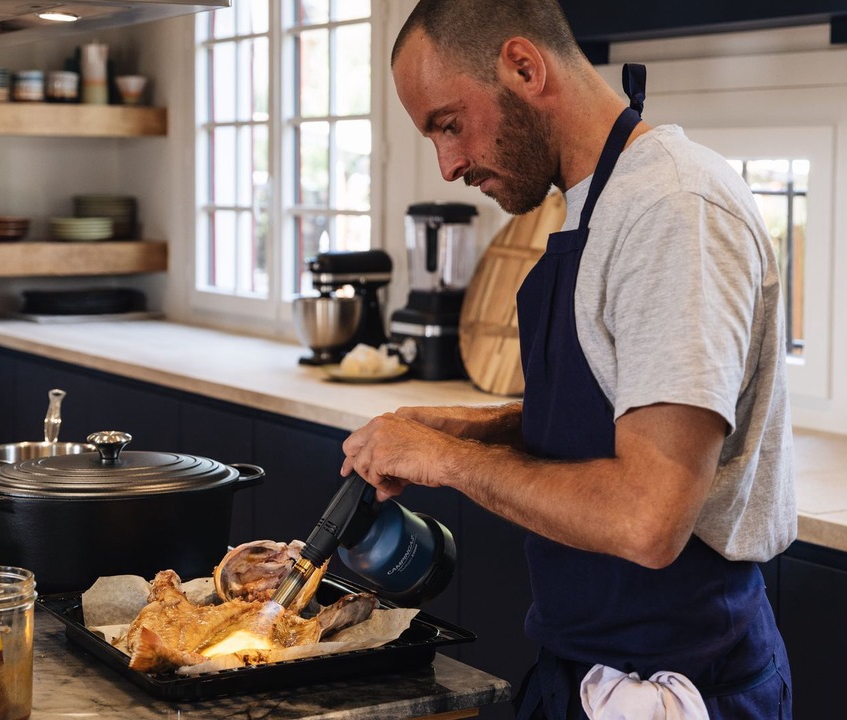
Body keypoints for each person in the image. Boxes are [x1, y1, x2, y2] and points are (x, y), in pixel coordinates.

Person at [339, 1, 796, 718]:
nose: (449, 164)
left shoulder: (673, 208)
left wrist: (447, 463)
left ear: (524, 67)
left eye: (448, 124)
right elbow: (608, 421)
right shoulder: (597, 202)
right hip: (580, 668)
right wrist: (464, 429)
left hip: (673, 685)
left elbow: (648, 519)